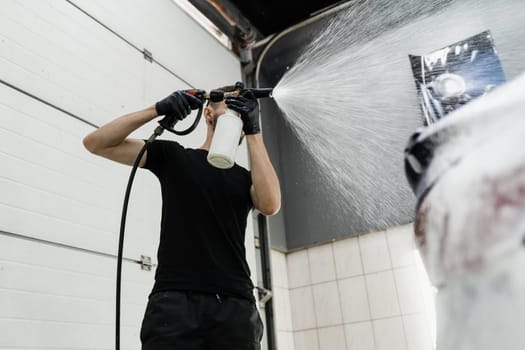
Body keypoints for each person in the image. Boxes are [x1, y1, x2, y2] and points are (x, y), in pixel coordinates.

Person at [82, 85, 281, 350]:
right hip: (175, 304)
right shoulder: (175, 157)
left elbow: (270, 205)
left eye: (242, 105)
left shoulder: (246, 178)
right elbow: (96, 143)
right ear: (208, 112)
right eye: (229, 102)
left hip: (235, 307)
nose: (236, 106)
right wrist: (157, 109)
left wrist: (254, 131)